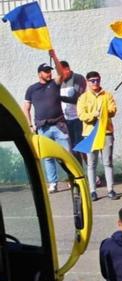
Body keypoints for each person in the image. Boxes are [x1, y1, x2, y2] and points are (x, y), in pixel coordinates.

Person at [23, 51, 75, 192]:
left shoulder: (55, 84)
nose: (49, 74)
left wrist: (54, 57)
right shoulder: (31, 89)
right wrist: (30, 125)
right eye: (46, 72)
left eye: (49, 71)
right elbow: (26, 108)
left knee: (66, 154)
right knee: (47, 157)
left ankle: (71, 180)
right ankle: (53, 183)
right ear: (39, 73)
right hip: (42, 127)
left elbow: (62, 74)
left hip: (59, 126)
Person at [76, 71, 119, 200]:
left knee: (108, 162)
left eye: (97, 80)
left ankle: (111, 190)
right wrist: (94, 115)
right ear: (87, 82)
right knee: (91, 163)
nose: (95, 83)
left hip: (106, 133)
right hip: (90, 135)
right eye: (92, 81)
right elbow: (81, 115)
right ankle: (93, 191)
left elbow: (113, 110)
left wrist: (104, 111)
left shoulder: (107, 95)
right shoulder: (83, 97)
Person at [58, 60, 87, 165]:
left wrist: (58, 97)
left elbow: (76, 98)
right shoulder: (59, 81)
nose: (59, 75)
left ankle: (93, 174)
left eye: (60, 72)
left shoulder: (78, 78)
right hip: (65, 120)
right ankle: (79, 175)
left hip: (78, 118)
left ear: (67, 69)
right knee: (72, 150)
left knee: (81, 147)